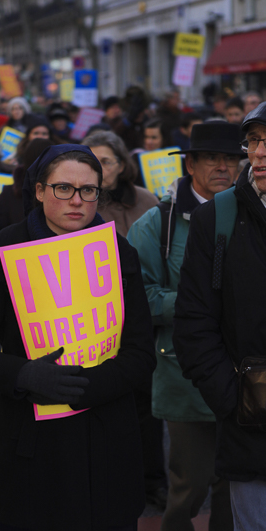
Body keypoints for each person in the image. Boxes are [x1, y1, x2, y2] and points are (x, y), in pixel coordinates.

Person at [0, 144, 156, 531]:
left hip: (105, 447)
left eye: (88, 190)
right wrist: (24, 374)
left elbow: (142, 352)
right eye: (64, 188)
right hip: (32, 455)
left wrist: (90, 385)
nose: (77, 200)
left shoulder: (116, 251)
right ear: (40, 191)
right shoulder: (5, 248)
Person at [173, 98, 266, 531]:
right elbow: (193, 326)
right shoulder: (218, 219)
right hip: (253, 425)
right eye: (253, 142)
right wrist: (233, 400)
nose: (256, 154)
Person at [128, 121, 241, 531]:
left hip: (246, 374)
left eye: (231, 159)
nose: (223, 167)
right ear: (189, 165)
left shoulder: (256, 212)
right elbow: (138, 299)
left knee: (237, 481)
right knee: (191, 482)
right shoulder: (158, 222)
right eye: (211, 159)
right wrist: (200, 304)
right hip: (185, 372)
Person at [83, 129, 168, 509]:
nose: (100, 169)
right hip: (95, 320)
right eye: (92, 161)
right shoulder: (81, 204)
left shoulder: (148, 201)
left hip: (140, 316)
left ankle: (153, 480)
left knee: (147, 406)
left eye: (106, 161)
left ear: (122, 164)